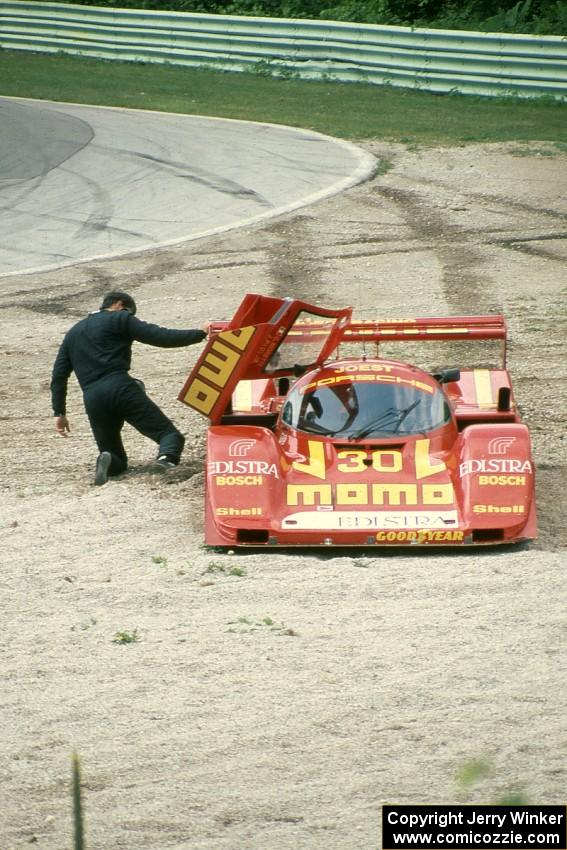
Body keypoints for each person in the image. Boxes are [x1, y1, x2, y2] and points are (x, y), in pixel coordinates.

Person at [51, 291, 210, 485]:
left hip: (92, 398)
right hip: (120, 386)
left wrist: (59, 412)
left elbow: (59, 375)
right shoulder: (120, 317)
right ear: (120, 304)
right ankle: (165, 461)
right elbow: (160, 336)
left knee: (114, 456)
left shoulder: (73, 333)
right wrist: (200, 334)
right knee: (169, 436)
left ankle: (108, 461)